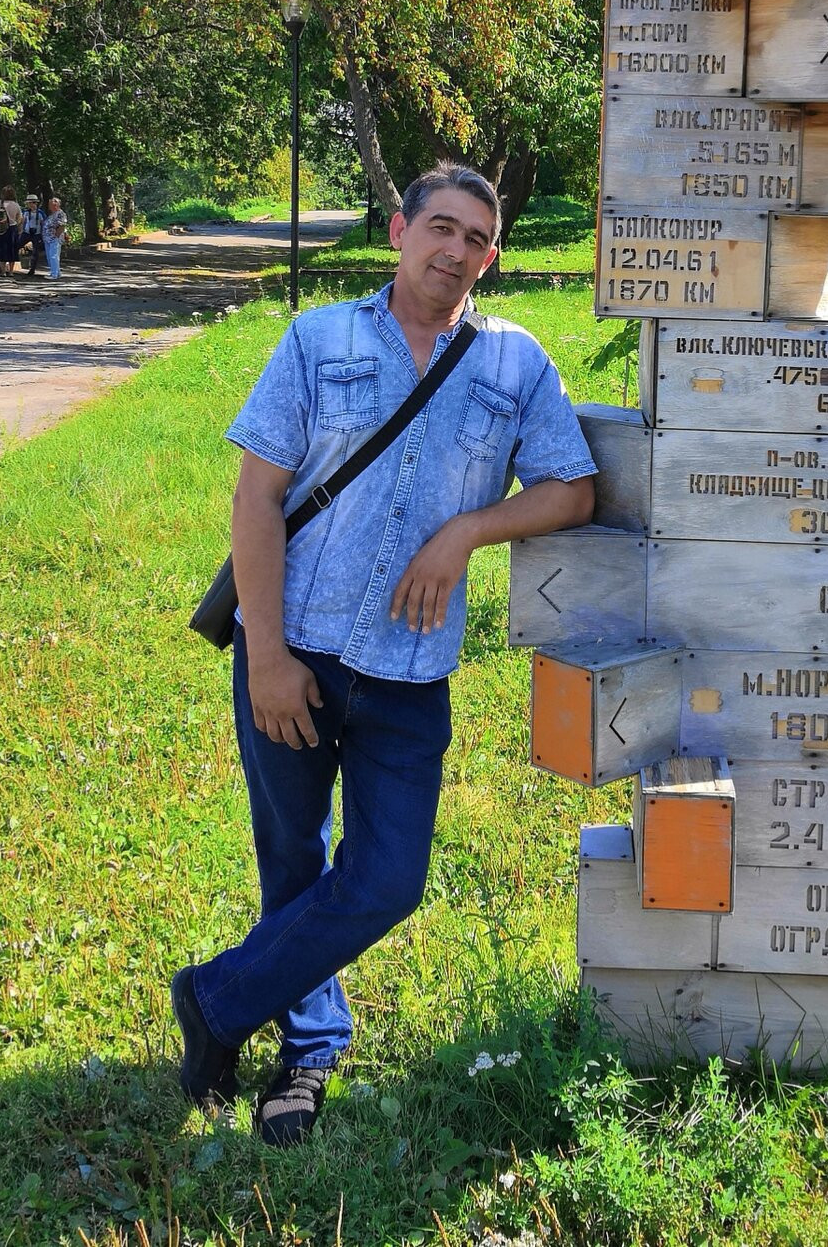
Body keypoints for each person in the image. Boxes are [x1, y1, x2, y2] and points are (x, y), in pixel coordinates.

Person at [171, 163, 597, 1145]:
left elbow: (570, 489)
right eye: (440, 227)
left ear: (491, 257)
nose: (456, 250)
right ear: (401, 231)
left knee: (388, 879)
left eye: (476, 238)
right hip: (298, 652)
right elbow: (256, 500)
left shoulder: (516, 364)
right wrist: (268, 658)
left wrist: (465, 533)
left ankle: (215, 1001)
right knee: (293, 859)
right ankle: (307, 1051)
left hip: (410, 672)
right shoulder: (318, 340)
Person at [0, 186, 23, 277]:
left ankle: (3, 271)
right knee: (12, 249)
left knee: (1, 249)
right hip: (12, 229)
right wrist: (18, 227)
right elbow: (20, 218)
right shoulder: (16, 205)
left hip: (0, 229)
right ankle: (11, 271)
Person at [42, 196, 68, 279]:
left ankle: (54, 275)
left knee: (53, 256)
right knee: (50, 256)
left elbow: (62, 225)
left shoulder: (60, 213)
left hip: (54, 238)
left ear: (56, 205)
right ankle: (56, 272)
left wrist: (56, 236)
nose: (49, 206)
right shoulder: (52, 214)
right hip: (48, 238)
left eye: (51, 204)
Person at [20, 194, 47, 275]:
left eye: (30, 203)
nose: (29, 205)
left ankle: (32, 269)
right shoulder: (26, 212)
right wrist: (20, 231)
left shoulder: (40, 213)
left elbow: (43, 224)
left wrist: (43, 234)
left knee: (35, 251)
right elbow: (23, 222)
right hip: (27, 232)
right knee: (17, 245)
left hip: (37, 234)